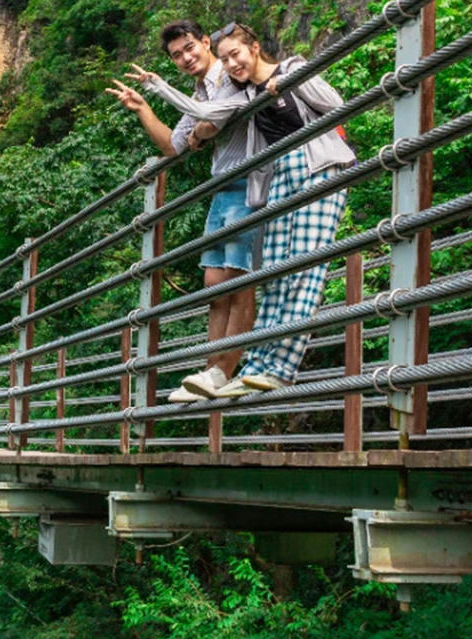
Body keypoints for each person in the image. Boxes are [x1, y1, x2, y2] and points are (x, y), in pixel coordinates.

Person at [165, 22, 356, 394]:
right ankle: (258, 366)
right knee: (272, 272)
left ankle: (281, 368)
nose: (232, 63)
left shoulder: (290, 69)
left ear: (254, 48)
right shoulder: (247, 97)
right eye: (225, 59)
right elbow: (202, 119)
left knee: (303, 267)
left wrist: (287, 85)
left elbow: (335, 105)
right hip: (279, 175)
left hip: (318, 166)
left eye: (236, 54)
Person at [106, 20, 260, 399]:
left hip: (252, 179)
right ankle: (212, 369)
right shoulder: (200, 90)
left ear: (206, 43)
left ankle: (222, 371)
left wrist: (203, 129)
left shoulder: (230, 73)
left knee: (239, 277)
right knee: (213, 283)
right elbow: (174, 146)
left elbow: (216, 118)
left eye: (190, 48)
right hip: (223, 185)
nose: (187, 57)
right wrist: (143, 107)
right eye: (177, 55)